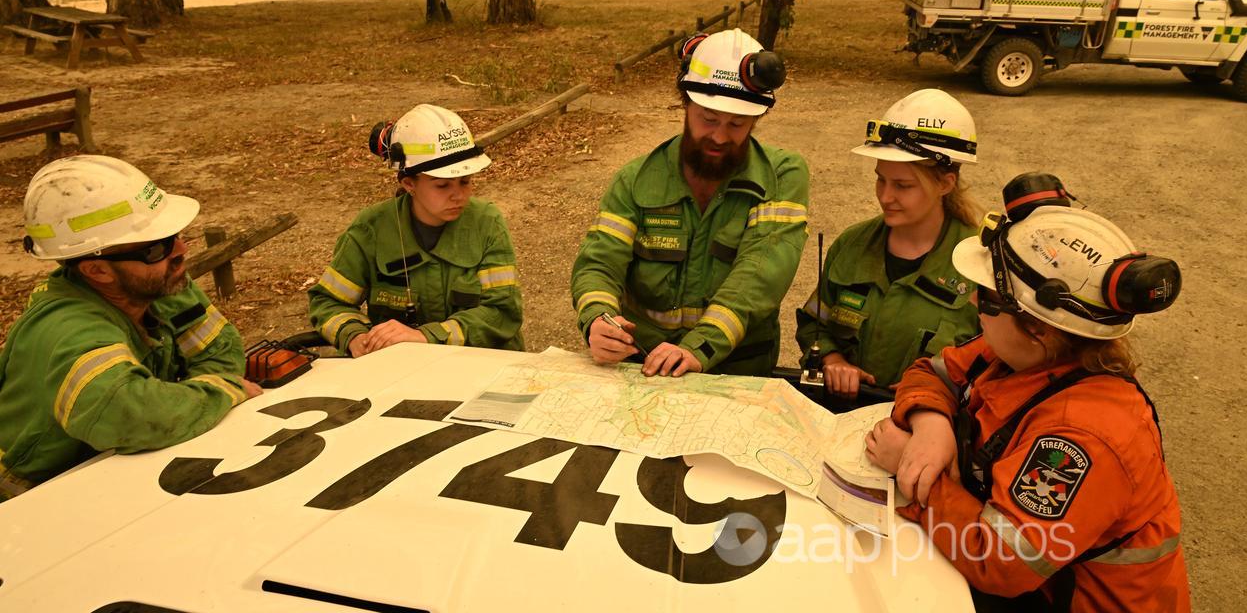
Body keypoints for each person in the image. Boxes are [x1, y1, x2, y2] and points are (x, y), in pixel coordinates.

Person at [865, 173, 1189, 611]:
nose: (971, 307)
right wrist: (931, 426)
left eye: (983, 297)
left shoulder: (1083, 439)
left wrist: (915, 470)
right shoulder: (1022, 353)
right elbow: (930, 372)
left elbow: (1000, 562)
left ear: (1035, 327)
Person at [0, 156, 261, 500]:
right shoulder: (66, 330)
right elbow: (133, 416)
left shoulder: (161, 284)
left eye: (175, 236)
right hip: (30, 494)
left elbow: (222, 351)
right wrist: (223, 392)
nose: (181, 251)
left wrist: (196, 397)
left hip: (117, 468)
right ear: (97, 271)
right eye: (157, 248)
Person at [571, 28, 809, 377]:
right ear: (685, 104)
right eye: (708, 119)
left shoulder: (782, 176)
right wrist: (598, 320)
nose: (719, 135)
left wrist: (699, 346)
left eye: (737, 124)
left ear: (757, 120)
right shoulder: (636, 179)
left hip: (737, 367)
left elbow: (759, 277)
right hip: (645, 364)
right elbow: (599, 264)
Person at [796, 89, 981, 399]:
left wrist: (939, 386)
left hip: (930, 432)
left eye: (903, 185)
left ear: (945, 184)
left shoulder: (980, 266)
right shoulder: (852, 246)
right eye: (881, 179)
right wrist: (833, 360)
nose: (885, 196)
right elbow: (816, 325)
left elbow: (999, 366)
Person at [309, 103, 523, 356]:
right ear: (409, 183)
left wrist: (426, 336)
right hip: (400, 371)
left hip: (480, 366)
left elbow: (502, 312)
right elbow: (328, 302)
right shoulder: (372, 229)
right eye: (442, 186)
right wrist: (354, 335)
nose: (458, 196)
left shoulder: (486, 223)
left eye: (465, 182)